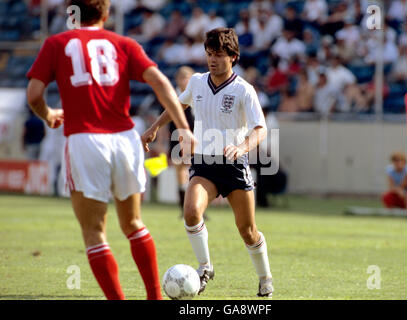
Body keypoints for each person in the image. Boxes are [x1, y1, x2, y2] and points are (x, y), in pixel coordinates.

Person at [26, 0, 194, 300]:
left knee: (94, 232)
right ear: (106, 13)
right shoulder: (123, 43)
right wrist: (183, 128)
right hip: (125, 139)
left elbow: (34, 94)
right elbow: (160, 82)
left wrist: (49, 114)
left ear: (70, 13)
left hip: (85, 140)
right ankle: (154, 297)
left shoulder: (57, 43)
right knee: (133, 223)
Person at [142, 28, 274, 297]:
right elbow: (178, 107)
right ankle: (205, 268)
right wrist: (155, 127)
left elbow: (261, 129)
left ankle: (265, 278)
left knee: (247, 231)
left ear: (233, 57)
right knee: (191, 212)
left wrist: (241, 147)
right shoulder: (197, 82)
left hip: (234, 166)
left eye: (219, 55)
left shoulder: (243, 90)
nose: (213, 60)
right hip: (204, 164)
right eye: (209, 54)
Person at [168, 66, 195, 217]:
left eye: (187, 77)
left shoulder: (197, 96)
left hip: (195, 139)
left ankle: (196, 208)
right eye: (182, 77)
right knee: (181, 172)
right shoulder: (171, 96)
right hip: (176, 139)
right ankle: (183, 208)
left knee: (195, 173)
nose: (185, 80)